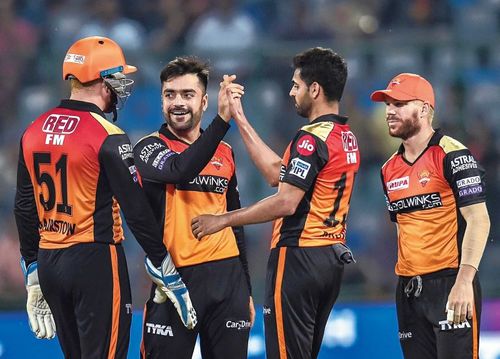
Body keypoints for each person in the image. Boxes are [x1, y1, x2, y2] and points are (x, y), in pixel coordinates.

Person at [13, 36, 196, 359]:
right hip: (94, 261)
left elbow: (24, 207)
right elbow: (136, 210)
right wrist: (162, 262)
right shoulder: (107, 136)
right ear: (103, 79)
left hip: (50, 263)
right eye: (118, 77)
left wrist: (32, 269)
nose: (123, 86)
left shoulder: (33, 129)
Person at [191, 47, 360, 359]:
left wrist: (223, 219)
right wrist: (238, 117)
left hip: (298, 257)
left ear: (315, 89)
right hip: (330, 259)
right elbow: (276, 174)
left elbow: (285, 202)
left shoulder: (309, 139)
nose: (291, 92)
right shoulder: (343, 135)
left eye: (296, 85)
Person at [133, 56, 253, 359]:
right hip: (174, 283)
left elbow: (233, 222)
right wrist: (222, 122)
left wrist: (246, 288)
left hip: (228, 283)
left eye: (187, 95)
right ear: (161, 101)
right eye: (169, 94)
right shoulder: (148, 147)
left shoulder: (224, 151)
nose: (178, 103)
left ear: (203, 101)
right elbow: (178, 170)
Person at [371, 73, 490, 359]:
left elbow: (479, 219)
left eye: (399, 104)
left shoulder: (452, 154)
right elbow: (402, 228)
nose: (389, 111)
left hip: (451, 284)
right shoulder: (388, 169)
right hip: (410, 291)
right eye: (388, 104)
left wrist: (464, 282)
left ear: (424, 109)